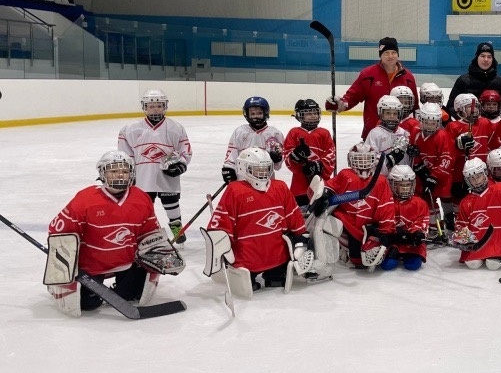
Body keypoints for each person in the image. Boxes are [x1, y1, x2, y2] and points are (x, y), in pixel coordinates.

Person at [46, 150, 184, 316]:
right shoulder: (85, 199)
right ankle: (58, 288)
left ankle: (124, 285)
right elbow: (59, 233)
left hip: (127, 262)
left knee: (130, 296)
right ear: (102, 173)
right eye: (113, 171)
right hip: (91, 267)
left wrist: (163, 255)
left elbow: (149, 233)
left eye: (124, 171)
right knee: (88, 304)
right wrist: (64, 269)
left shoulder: (141, 198)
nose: (120, 175)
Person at [204, 147, 306, 292]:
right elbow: (220, 223)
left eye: (266, 168)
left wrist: (300, 237)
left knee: (277, 279)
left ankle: (274, 274)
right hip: (246, 260)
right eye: (257, 169)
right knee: (246, 285)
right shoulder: (235, 191)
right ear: (243, 168)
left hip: (277, 257)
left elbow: (293, 216)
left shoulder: (280, 187)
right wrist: (221, 243)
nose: (263, 173)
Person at [117, 89, 193, 243]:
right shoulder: (130, 129)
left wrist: (181, 164)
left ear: (165, 106)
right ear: (145, 107)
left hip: (167, 176)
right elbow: (125, 154)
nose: (155, 109)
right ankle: (145, 233)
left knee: (172, 205)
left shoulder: (175, 127)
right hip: (142, 177)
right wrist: (128, 173)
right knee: (144, 208)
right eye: (151, 106)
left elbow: (185, 150)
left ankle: (177, 232)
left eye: (159, 106)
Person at [314, 143, 396, 270]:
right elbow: (329, 186)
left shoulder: (380, 181)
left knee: (358, 261)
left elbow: (386, 208)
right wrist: (323, 195)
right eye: (359, 159)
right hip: (346, 221)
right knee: (323, 221)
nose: (363, 163)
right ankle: (331, 250)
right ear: (350, 159)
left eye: (367, 159)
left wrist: (386, 232)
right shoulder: (346, 175)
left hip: (366, 227)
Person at [328, 37, 418, 140]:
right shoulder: (368, 74)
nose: (390, 56)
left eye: (393, 52)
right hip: (373, 134)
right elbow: (353, 96)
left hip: (401, 136)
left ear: (398, 54)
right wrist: (339, 104)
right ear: (380, 55)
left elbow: (414, 106)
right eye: (386, 53)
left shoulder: (408, 77)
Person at [455, 158, 501, 270]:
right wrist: (463, 240)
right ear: (467, 180)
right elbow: (461, 225)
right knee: (473, 264)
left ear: (485, 174)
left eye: (478, 176)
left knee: (493, 265)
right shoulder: (465, 202)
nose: (476, 181)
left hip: (497, 242)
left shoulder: (500, 189)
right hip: (476, 243)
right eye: (472, 178)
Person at [445, 93, 499, 205]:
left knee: (483, 201)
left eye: (476, 106)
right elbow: (447, 150)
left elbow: (497, 138)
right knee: (460, 202)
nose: (475, 109)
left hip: (482, 173)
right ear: (460, 109)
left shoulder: (484, 123)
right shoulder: (453, 126)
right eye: (470, 107)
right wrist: (457, 145)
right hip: (460, 174)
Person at [284, 99, 336, 207]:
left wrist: (319, 165)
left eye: (315, 113)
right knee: (301, 213)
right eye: (308, 113)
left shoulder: (324, 133)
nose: (313, 116)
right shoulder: (294, 132)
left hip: (322, 184)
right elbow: (287, 155)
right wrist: (294, 156)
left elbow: (331, 155)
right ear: (299, 115)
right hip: (299, 186)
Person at [446, 41, 501, 121]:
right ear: (477, 58)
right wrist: (465, 121)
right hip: (469, 126)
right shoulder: (463, 81)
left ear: (493, 59)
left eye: (489, 57)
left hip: (494, 127)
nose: (486, 59)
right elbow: (451, 107)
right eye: (482, 56)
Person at [222, 96, 284, 185]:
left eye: (259, 113)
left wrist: (277, 159)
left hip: (266, 180)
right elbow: (232, 154)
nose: (256, 116)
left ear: (266, 113)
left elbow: (278, 166)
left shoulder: (275, 134)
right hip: (243, 180)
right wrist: (228, 168)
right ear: (246, 114)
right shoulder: (240, 132)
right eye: (252, 114)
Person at [381, 165, 429, 272]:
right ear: (392, 184)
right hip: (394, 242)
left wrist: (417, 233)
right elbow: (384, 222)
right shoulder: (388, 202)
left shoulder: (420, 203)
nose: (405, 188)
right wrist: (394, 234)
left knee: (412, 265)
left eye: (408, 185)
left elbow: (422, 222)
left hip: (412, 243)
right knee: (387, 265)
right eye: (401, 185)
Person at [366, 95, 411, 176]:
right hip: (382, 178)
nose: (392, 116)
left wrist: (411, 153)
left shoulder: (403, 133)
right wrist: (388, 160)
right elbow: (370, 160)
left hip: (400, 179)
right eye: (388, 113)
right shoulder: (375, 134)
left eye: (395, 113)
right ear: (381, 114)